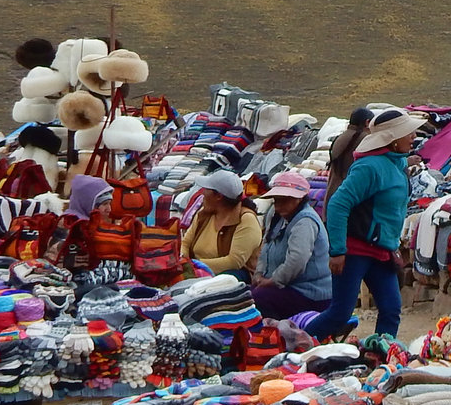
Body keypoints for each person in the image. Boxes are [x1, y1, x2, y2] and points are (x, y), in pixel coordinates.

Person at [317, 108, 423, 341]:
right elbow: (337, 204)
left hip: (381, 250)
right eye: (408, 133)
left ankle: (381, 357)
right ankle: (294, 347)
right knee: (340, 313)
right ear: (392, 139)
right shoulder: (369, 167)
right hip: (355, 249)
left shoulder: (396, 164)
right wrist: (337, 251)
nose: (414, 136)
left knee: (391, 310)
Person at [251, 170, 334, 318]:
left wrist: (271, 281)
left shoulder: (305, 221)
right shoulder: (277, 216)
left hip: (310, 293)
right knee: (244, 297)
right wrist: (258, 275)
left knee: (258, 299)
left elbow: (296, 261)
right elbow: (265, 248)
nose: (278, 206)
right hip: (285, 287)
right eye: (276, 201)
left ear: (299, 199)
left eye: (284, 200)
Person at [181, 169, 264, 277]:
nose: (203, 192)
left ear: (218, 196)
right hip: (195, 270)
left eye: (207, 189)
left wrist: (193, 265)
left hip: (229, 278)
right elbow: (185, 243)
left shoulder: (246, 220)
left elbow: (234, 262)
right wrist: (184, 263)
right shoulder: (204, 214)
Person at [325, 104, 382, 203]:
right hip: (350, 196)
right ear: (367, 122)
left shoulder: (341, 137)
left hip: (334, 191)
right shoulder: (364, 139)